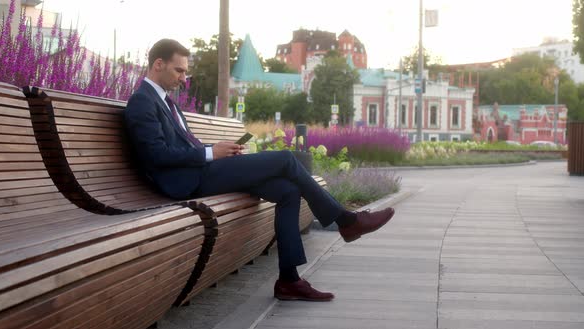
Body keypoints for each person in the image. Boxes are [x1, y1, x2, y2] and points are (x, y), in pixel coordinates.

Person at [124, 38, 395, 302]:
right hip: (183, 182)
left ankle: (289, 280)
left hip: (200, 171)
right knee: (286, 159)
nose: (184, 77)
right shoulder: (142, 102)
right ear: (158, 64)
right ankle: (345, 221)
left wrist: (218, 149)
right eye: (179, 70)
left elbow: (185, 145)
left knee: (288, 191)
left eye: (185, 71)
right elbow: (156, 155)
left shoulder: (166, 102)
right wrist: (209, 153)